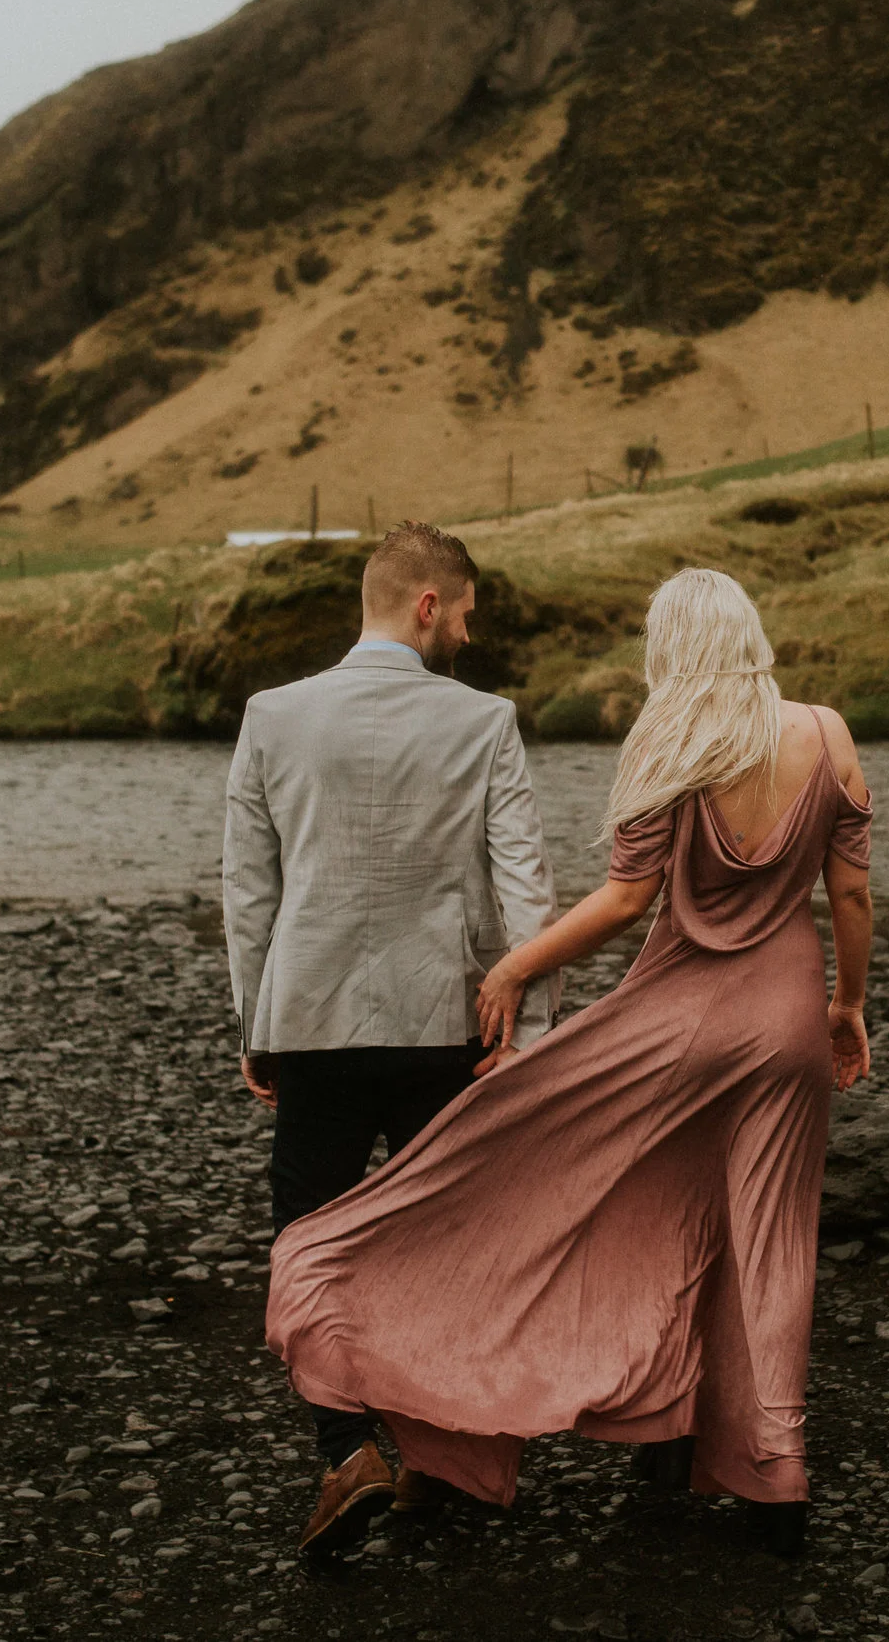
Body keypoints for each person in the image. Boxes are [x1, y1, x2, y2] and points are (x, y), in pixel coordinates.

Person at [266, 567, 873, 1559]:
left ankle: (574, 1401)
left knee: (559, 1173)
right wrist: (845, 1005)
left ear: (671, 645)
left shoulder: (671, 742)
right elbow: (851, 898)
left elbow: (624, 903)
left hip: (679, 1022)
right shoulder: (829, 731)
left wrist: (513, 963)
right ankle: (775, 1478)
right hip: (787, 1021)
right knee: (767, 1239)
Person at [221, 521, 559, 1561]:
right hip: (443, 1030)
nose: (468, 627)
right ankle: (436, 1460)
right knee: (444, 1249)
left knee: (309, 1241)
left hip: (313, 1027)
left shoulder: (273, 716)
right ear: (424, 603)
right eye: (463, 608)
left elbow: (249, 889)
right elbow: (527, 884)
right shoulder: (486, 722)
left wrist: (255, 1023)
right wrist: (534, 1027)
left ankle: (345, 1450)